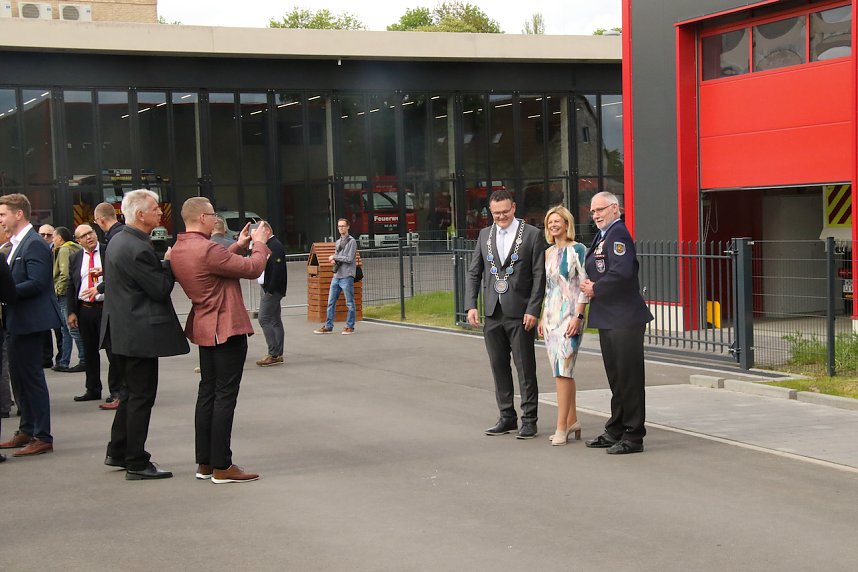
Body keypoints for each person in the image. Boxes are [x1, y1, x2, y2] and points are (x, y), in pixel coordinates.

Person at [171, 197, 271, 483]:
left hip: (205, 325)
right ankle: (222, 465)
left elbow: (218, 263)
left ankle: (205, 462)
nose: (216, 219)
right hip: (226, 326)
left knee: (208, 393)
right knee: (225, 396)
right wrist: (260, 242)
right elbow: (252, 269)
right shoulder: (207, 248)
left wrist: (238, 245)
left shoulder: (181, 247)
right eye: (213, 214)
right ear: (203, 217)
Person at [100, 189, 189, 480]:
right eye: (154, 209)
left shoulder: (120, 240)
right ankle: (136, 461)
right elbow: (160, 288)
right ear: (140, 214)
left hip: (124, 331)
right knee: (141, 397)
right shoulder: (137, 247)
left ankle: (118, 450)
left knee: (129, 394)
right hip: (138, 333)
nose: (160, 212)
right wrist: (169, 262)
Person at [466, 189, 546, 439]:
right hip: (492, 311)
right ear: (490, 211)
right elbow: (474, 272)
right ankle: (506, 416)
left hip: (520, 313)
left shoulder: (532, 235)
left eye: (504, 212)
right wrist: (471, 304)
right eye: (495, 213)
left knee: (525, 369)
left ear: (513, 208)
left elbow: (539, 276)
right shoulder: (483, 235)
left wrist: (534, 309)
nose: (500, 217)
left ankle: (529, 420)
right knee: (498, 367)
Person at [580, 191, 653, 455]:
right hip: (609, 317)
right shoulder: (603, 235)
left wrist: (596, 288)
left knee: (629, 379)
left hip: (624, 318)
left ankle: (633, 436)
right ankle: (616, 429)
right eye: (592, 211)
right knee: (617, 378)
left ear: (615, 209)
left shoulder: (618, 233)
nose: (596, 215)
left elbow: (622, 272)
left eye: (600, 210)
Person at [0, 194, 64, 457]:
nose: (0, 220)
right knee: (19, 378)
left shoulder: (33, 243)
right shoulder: (18, 243)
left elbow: (38, 282)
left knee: (32, 379)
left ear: (18, 214)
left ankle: (42, 435)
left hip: (29, 321)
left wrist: (7, 293)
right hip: (17, 320)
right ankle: (27, 428)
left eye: (3, 214)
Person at [537, 206, 589, 446]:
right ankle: (572, 420)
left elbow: (584, 285)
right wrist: (540, 317)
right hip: (550, 319)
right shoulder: (548, 253)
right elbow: (548, 288)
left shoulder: (578, 250)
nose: (553, 225)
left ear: (567, 224)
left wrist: (578, 317)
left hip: (570, 318)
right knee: (562, 373)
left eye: (558, 221)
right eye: (550, 222)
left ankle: (561, 428)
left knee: (563, 370)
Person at [67, 224, 118, 406]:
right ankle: (93, 389)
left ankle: (116, 391)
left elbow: (117, 276)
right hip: (85, 310)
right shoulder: (75, 258)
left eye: (91, 233)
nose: (89, 237)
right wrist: (71, 311)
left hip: (107, 307)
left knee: (113, 351)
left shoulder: (108, 251)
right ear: (78, 240)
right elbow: (71, 285)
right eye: (84, 236)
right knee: (89, 351)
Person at [92, 201, 125, 409]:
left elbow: (119, 273)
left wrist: (100, 287)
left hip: (118, 304)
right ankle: (119, 392)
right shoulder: (119, 235)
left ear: (101, 220)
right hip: (118, 302)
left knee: (117, 352)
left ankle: (121, 394)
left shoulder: (115, 238)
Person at [314, 218, 357, 335]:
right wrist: (335, 260)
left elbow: (349, 259)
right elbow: (339, 256)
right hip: (337, 276)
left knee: (350, 303)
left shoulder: (352, 241)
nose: (341, 228)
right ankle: (328, 326)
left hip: (347, 276)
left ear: (348, 227)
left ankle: (350, 326)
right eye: (339, 226)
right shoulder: (338, 242)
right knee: (330, 302)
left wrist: (334, 257)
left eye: (343, 226)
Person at [51, 226, 85, 373]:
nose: (52, 240)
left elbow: (64, 274)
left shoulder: (64, 250)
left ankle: (84, 359)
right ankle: (63, 361)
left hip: (64, 294)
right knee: (66, 329)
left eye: (53, 236)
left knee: (71, 328)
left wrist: (58, 291)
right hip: (71, 292)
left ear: (60, 238)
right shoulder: (75, 248)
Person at [256, 230, 287, 366]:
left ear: (267, 231)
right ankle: (277, 353)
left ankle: (273, 353)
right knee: (275, 320)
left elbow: (277, 270)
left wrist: (270, 290)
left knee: (263, 318)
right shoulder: (270, 244)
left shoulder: (275, 246)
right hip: (271, 288)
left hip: (272, 290)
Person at [38, 223, 61, 368]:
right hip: (44, 294)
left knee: (60, 329)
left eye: (49, 235)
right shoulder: (37, 249)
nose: (46, 238)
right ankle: (46, 358)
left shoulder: (58, 250)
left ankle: (62, 359)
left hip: (56, 292)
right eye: (43, 235)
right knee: (44, 328)